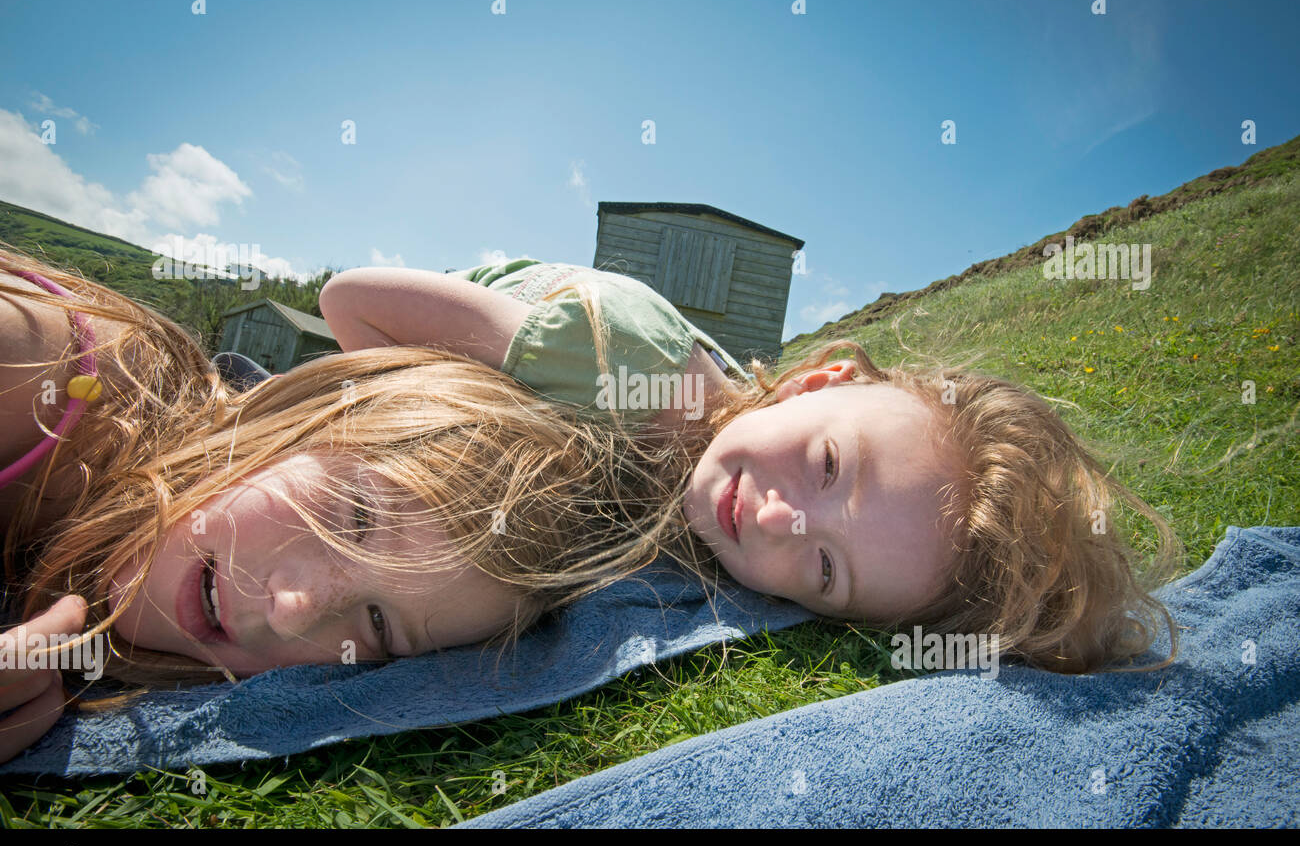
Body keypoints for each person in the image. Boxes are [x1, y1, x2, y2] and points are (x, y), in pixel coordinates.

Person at [320, 258, 1184, 675]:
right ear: (813, 381)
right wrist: (411, 438)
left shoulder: (720, 502)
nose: (777, 520)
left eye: (823, 567)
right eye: (828, 465)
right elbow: (348, 302)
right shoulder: (619, 365)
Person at [0, 244, 685, 763]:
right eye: (354, 515)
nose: (293, 607)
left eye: (379, 626)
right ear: (315, 407)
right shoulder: (44, 370)